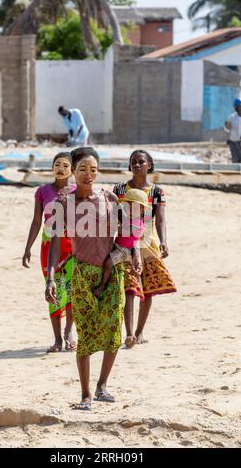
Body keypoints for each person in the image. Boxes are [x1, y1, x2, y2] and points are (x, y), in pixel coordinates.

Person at [45, 147, 125, 411]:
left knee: (113, 331)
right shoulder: (63, 203)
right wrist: (51, 278)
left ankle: (103, 386)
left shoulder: (110, 199)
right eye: (82, 170)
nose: (88, 175)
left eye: (93, 170)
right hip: (81, 274)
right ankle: (86, 394)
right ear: (72, 171)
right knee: (86, 333)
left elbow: (125, 238)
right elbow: (56, 243)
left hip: (111, 273)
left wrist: (119, 260)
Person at [113, 150, 177, 348]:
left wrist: (164, 240)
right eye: (133, 162)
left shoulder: (157, 192)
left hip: (148, 244)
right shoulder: (120, 189)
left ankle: (140, 332)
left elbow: (161, 219)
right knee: (130, 288)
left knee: (148, 290)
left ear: (149, 165)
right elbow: (113, 217)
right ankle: (130, 333)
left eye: (141, 161)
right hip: (125, 244)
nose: (137, 165)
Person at [22, 152, 77, 353]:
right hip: (48, 245)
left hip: (72, 245)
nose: (61, 168)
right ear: (52, 167)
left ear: (72, 169)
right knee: (52, 289)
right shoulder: (43, 191)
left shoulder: (77, 191)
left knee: (71, 290)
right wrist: (28, 248)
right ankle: (56, 339)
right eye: (57, 164)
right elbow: (37, 221)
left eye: (65, 165)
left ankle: (69, 331)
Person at [225, 98, 241, 163]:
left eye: (238, 106)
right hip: (233, 142)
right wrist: (226, 127)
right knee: (235, 161)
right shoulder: (232, 117)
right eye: (235, 106)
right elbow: (228, 128)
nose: (236, 108)